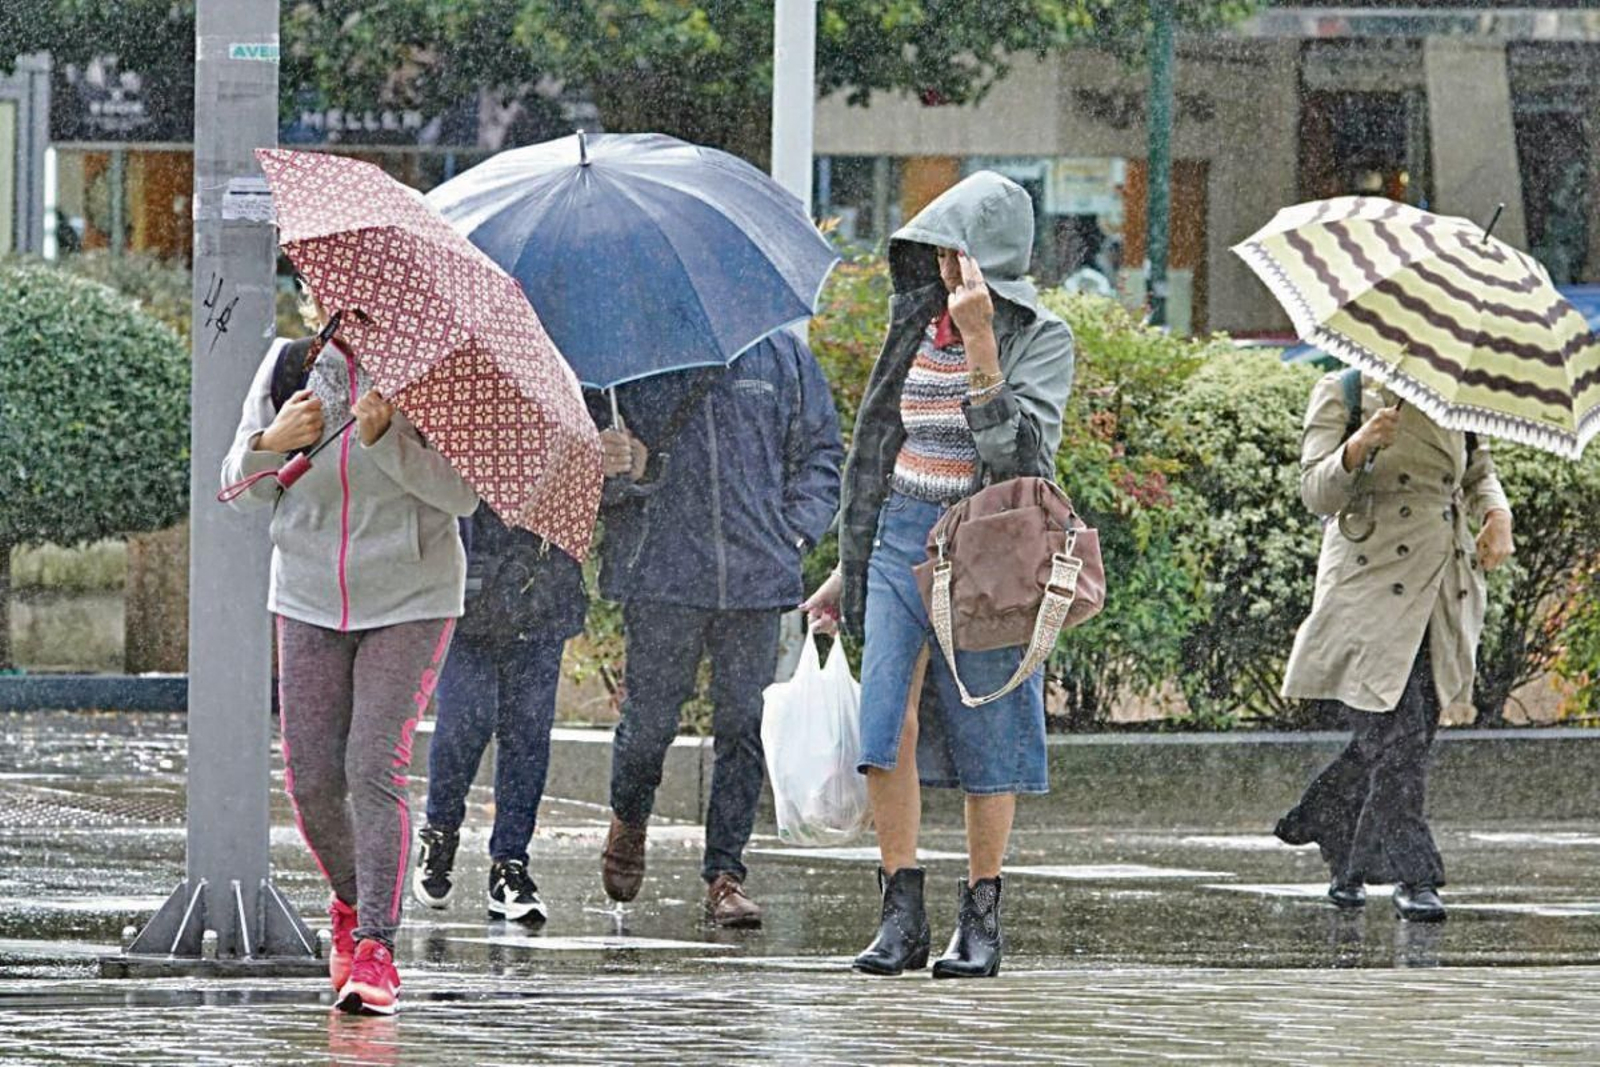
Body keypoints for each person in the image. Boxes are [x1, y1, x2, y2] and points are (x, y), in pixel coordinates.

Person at [803, 171, 1075, 979]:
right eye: (934, 250)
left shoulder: (1041, 334)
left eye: (958, 250)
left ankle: (982, 912)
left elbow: (1023, 460)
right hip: (899, 535)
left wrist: (984, 341)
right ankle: (900, 910)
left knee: (989, 720)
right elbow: (878, 451)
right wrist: (846, 566)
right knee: (886, 721)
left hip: (989, 544)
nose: (945, 266)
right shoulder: (916, 324)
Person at [221, 284, 477, 1015]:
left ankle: (376, 947)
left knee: (372, 764)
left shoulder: (435, 379)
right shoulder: (288, 367)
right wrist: (272, 443)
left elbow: (461, 497)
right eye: (328, 295)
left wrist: (387, 441)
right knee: (309, 779)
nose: (345, 309)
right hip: (305, 594)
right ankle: (349, 897)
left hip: (413, 597)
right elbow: (236, 488)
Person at [597, 329, 843, 928]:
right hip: (663, 573)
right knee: (649, 725)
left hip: (756, 575)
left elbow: (821, 453)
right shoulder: (635, 358)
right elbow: (604, 476)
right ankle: (629, 818)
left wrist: (795, 534)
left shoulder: (781, 356)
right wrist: (622, 468)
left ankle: (725, 873)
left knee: (743, 724)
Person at [1274, 371, 1514, 923]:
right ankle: (1417, 875)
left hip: (1441, 589)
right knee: (1398, 734)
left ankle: (1338, 840)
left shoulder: (1458, 393)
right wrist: (1358, 447)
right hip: (1370, 585)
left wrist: (1497, 514)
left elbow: (1479, 472)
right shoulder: (1346, 391)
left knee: (1399, 738)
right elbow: (1316, 492)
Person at [411, 504, 587, 925]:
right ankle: (439, 832)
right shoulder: (466, 440)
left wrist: (630, 470)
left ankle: (511, 862)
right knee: (466, 719)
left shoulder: (568, 440)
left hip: (542, 588)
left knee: (528, 731)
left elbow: (601, 494)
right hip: (468, 587)